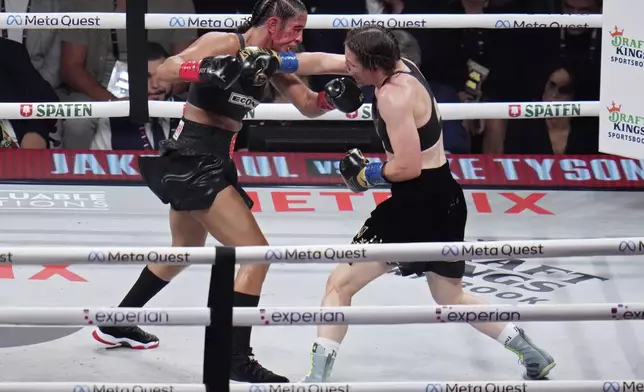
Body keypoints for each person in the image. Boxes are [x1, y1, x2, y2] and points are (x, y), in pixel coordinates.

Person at [91, 0, 364, 383]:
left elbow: (306, 102)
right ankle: (235, 357)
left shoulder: (270, 62)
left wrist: (329, 99)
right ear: (273, 23)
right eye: (295, 30)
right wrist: (202, 69)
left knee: (181, 253)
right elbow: (167, 69)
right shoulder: (224, 42)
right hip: (193, 156)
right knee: (256, 255)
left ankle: (117, 322)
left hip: (213, 160)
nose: (299, 39)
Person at [297, 26, 557, 382]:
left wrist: (365, 175)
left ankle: (316, 380)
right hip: (447, 195)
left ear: (373, 66)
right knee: (450, 295)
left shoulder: (392, 98)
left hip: (414, 204)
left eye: (354, 64)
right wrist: (280, 62)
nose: (348, 70)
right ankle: (531, 353)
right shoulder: (399, 65)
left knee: (339, 284)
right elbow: (327, 61)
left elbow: (407, 167)